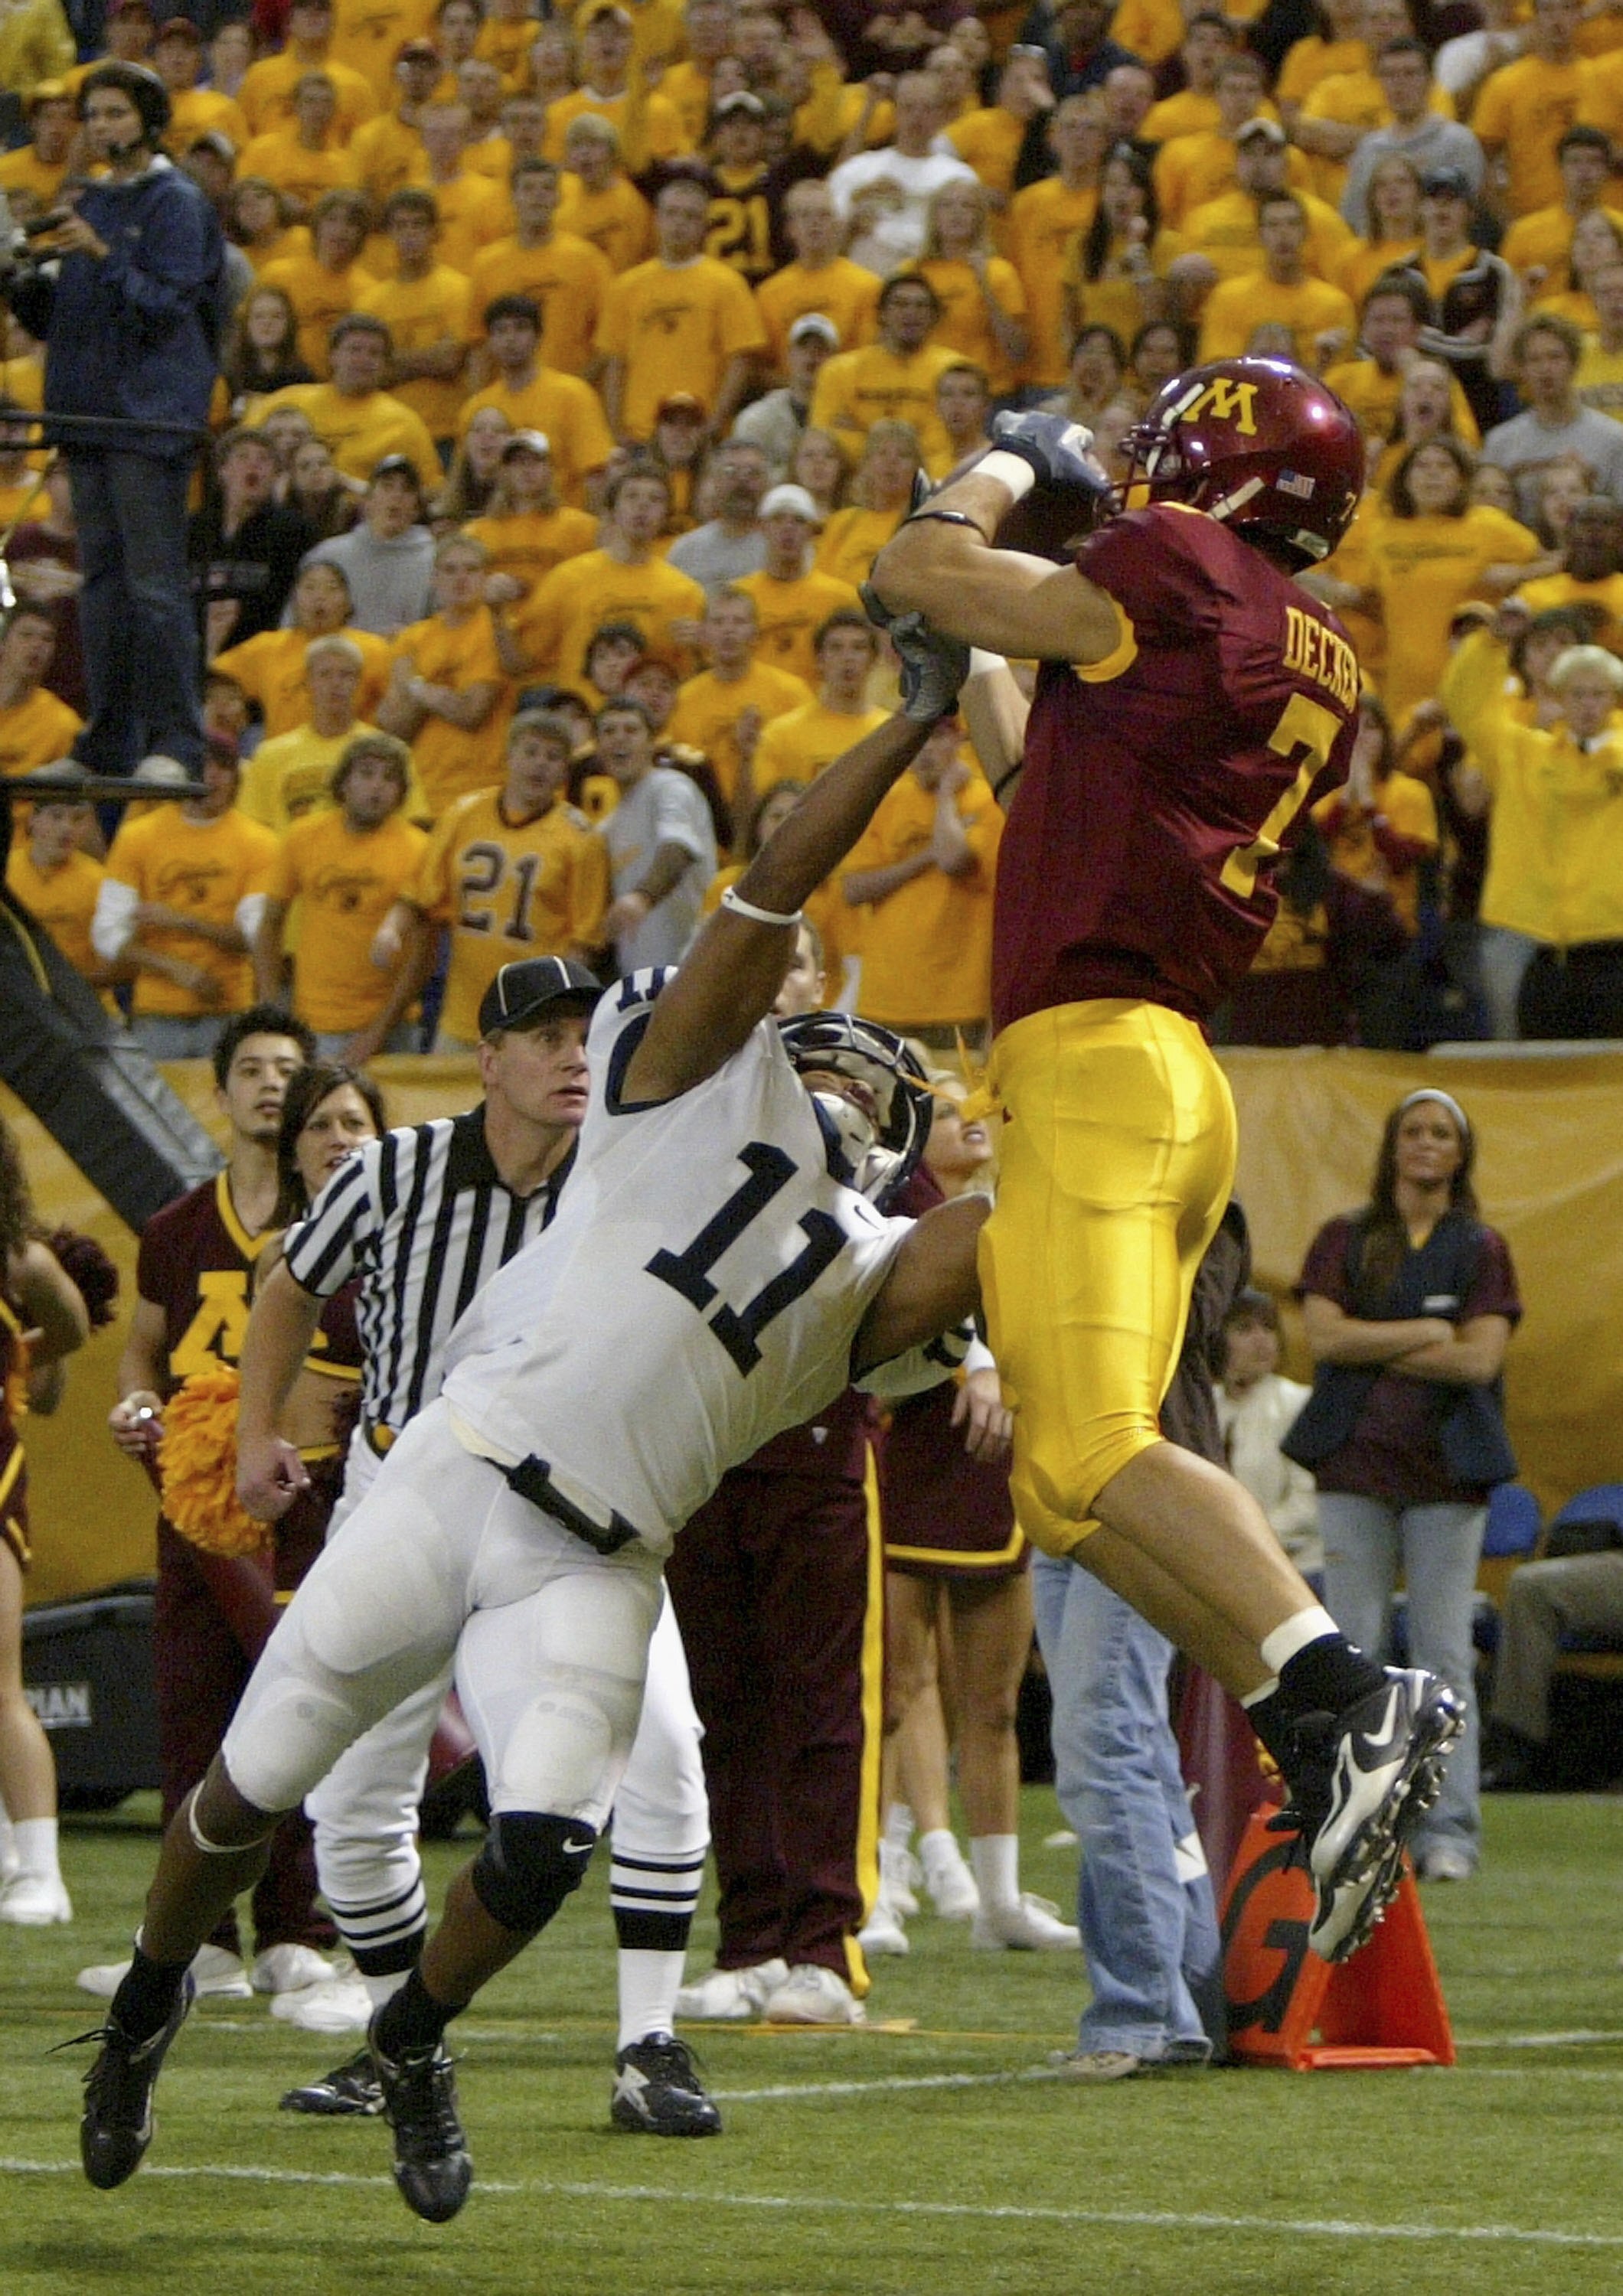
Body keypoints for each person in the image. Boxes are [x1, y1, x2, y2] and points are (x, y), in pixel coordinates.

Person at [70, 628, 988, 2219]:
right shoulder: (665, 1088)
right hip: (454, 1472)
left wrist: (1111, 1048)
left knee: (545, 1844)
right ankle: (145, 2003)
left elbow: (1037, 1218)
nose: (836, 1080)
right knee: (249, 1783)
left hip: (599, 1558)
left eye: (868, 1082)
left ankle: (416, 2031)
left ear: (900, 1147)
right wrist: (915, 722)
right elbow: (766, 886)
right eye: (819, 1055)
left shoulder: (876, 1279)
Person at [870, 360, 1465, 1965]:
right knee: (1066, 1486)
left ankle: (1346, 1692)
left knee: (1083, 1460)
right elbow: (1048, 776)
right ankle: (1305, 1720)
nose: (1138, 460)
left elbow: (913, 564)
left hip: (1095, 1068)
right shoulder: (1286, 633)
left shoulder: (1175, 572)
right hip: (1157, 1068)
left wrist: (1003, 469)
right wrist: (966, 664)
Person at [86, 1007, 342, 2004]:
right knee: (194, 1715)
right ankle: (200, 1938)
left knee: (297, 1702)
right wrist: (136, 1400)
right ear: (221, 1090)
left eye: (289, 1067)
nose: (271, 1083)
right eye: (251, 1068)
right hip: (193, 1498)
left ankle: (299, 1928)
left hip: (298, 1493)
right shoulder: (176, 1226)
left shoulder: (334, 1223)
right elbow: (144, 1349)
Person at [1036, 1206, 1247, 2079]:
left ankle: (1136, 2015)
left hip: (1146, 1481)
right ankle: (1185, 2002)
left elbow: (1179, 1322)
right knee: (1136, 1752)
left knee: (1102, 1741)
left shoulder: (1201, 1200)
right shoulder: (1053, 1185)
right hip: (1053, 1485)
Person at [1288, 1089, 1520, 1881]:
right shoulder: (1343, 1238)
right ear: (1392, 1147)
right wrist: (1425, 1331)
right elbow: (1321, 1337)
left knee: (1441, 1654)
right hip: (1352, 1465)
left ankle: (1446, 1833)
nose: (1425, 1144)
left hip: (1447, 1476)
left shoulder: (1479, 1246)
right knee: (1350, 1650)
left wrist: (1369, 1343)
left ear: (1460, 1154)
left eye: (1441, 1134)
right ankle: (1353, 1828)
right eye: (1413, 1131)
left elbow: (1478, 1361)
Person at [1, 62, 227, 780]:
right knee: (100, 587)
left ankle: (176, 743)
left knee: (155, 587)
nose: (102, 128)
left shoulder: (177, 203)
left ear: (149, 121)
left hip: (149, 420)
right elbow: (62, 318)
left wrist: (98, 256)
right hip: (87, 415)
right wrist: (20, 283)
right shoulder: (92, 200)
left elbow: (168, 306)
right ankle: (107, 741)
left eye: (115, 114)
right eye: (93, 116)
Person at [389, 711, 609, 1054]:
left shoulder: (581, 838)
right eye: (531, 752)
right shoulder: (463, 813)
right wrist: (391, 930)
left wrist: (552, 1007)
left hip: (533, 1018)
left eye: (553, 757)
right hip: (462, 1014)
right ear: (508, 756)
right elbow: (422, 895)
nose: (540, 765)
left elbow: (583, 941)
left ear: (566, 770)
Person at [0, 1121, 90, 1926]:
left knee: (1, 1684)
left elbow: (68, 1326)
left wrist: (18, 1357)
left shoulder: (17, 1259)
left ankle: (40, 1869)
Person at [92, 744, 282, 1061]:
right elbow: (107, 934)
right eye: (201, 766)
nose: (212, 777)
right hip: (155, 1015)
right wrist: (177, 970)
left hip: (229, 1011)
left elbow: (254, 936)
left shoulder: (260, 843)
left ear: (236, 778)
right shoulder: (137, 838)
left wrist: (182, 921)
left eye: (222, 767)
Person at [254, 731, 429, 1062]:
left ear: (402, 792)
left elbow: (424, 953)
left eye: (389, 778)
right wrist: (269, 1002)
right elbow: (270, 922)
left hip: (394, 1025)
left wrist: (377, 1032)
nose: (377, 786)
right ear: (343, 782)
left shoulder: (419, 849)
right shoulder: (303, 836)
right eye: (366, 774)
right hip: (315, 1021)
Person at [841, 713, 1001, 1052]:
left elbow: (954, 860)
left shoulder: (987, 801)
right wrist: (924, 857)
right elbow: (853, 889)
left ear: (959, 741)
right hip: (886, 996)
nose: (926, 750)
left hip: (956, 999)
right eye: (920, 739)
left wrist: (945, 796)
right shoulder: (886, 799)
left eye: (938, 738)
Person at [597, 171, 767, 445]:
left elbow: (741, 360)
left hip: (700, 432)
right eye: (672, 213)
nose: (679, 224)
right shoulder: (626, 287)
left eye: (690, 217)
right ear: (657, 219)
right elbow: (615, 363)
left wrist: (714, 423)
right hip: (640, 433)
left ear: (704, 226)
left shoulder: (727, 284)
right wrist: (616, 431)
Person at [597, 694, 717, 970]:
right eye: (609, 731)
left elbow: (679, 847)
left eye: (631, 730)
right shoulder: (608, 826)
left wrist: (643, 897)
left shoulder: (670, 788)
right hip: (638, 978)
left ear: (652, 743)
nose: (619, 738)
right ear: (598, 747)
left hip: (690, 968)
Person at [1216, 1289, 1321, 1581]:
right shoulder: (1204, 1409)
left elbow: (1307, 1503)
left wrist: (1247, 1544)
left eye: (1269, 1328)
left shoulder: (1298, 1404)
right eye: (1244, 1329)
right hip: (1218, 1567)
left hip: (1295, 1569)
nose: (1261, 1339)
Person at [1483, 316, 1623, 525]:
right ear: (1522, 370)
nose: (1545, 369)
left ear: (1574, 365)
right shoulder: (1500, 443)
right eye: (1535, 360)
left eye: (1555, 357)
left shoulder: (1613, 439)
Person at [734, 483, 860, 685]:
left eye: (799, 521)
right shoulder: (740, 595)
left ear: (812, 530)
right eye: (778, 519)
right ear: (761, 527)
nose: (788, 528)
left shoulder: (841, 598)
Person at [302, 457, 437, 638]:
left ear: (416, 508)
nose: (397, 496)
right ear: (368, 501)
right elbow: (296, 625)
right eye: (387, 487)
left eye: (407, 490)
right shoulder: (327, 555)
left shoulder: (436, 561)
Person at [733, 314, 840, 483]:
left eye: (821, 349)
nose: (812, 355)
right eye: (804, 347)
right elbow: (747, 477)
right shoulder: (758, 419)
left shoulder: (845, 416)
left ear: (836, 360)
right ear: (789, 355)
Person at [665, 437, 771, 590]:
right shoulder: (686, 551)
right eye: (730, 472)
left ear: (768, 482)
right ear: (714, 481)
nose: (742, 481)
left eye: (752, 473)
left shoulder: (782, 551)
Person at [0, 606, 81, 781]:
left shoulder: (63, 725)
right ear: (3, 644)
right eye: (26, 635)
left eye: (47, 639)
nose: (37, 645)